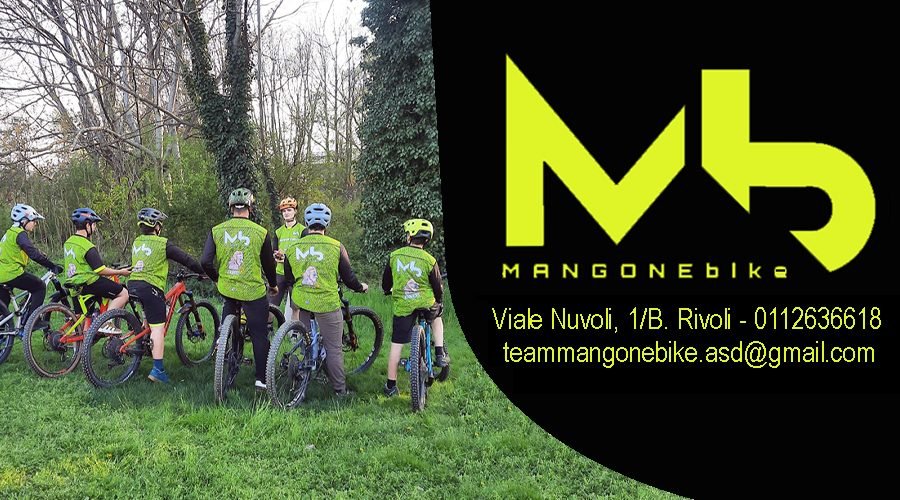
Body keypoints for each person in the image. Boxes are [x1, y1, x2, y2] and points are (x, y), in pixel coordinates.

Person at [282, 203, 367, 397]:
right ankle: (340, 391)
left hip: (302, 301)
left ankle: (303, 377)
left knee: (306, 342)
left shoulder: (293, 248)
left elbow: (289, 278)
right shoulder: (336, 246)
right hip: (326, 303)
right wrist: (360, 287)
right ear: (326, 224)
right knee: (334, 348)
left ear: (306, 223)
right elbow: (348, 278)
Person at [201, 188, 278, 390]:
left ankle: (223, 340)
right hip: (252, 291)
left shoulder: (217, 230)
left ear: (231, 208)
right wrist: (273, 284)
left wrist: (217, 278)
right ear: (250, 208)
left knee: (228, 314)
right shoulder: (261, 232)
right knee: (259, 333)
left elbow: (205, 261)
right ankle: (261, 379)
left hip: (227, 287)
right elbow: (269, 265)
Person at [127, 208, 206, 384]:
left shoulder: (137, 241)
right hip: (150, 287)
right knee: (158, 328)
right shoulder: (163, 244)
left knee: (149, 315)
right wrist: (203, 271)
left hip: (133, 284)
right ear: (156, 226)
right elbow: (186, 259)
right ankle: (158, 370)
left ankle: (144, 342)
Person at [381, 218, 447, 398]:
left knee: (397, 344)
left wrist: (387, 290)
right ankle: (439, 352)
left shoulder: (395, 256)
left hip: (403, 305)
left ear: (410, 236)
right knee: (437, 317)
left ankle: (390, 385)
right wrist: (439, 301)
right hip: (426, 303)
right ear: (426, 240)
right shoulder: (429, 260)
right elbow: (437, 287)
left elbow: (386, 283)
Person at [0, 204, 63, 335]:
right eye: (33, 221)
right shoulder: (20, 233)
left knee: (3, 312)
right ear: (24, 221)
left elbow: (23, 250)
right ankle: (33, 321)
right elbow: (33, 254)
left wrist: (40, 254)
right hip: (12, 273)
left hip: (2, 274)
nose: (35, 224)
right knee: (39, 286)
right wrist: (52, 265)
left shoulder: (9, 233)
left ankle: (4, 336)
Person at [63, 208, 131, 313]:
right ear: (87, 225)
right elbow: (100, 270)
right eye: (94, 224)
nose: (94, 228)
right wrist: (121, 272)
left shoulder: (68, 242)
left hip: (73, 284)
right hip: (89, 283)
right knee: (124, 294)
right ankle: (107, 320)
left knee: (82, 317)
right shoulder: (87, 246)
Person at [270, 197, 305, 316]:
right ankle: (269, 326)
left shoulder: (302, 230)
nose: (286, 213)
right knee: (271, 305)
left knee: (295, 307)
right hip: (280, 272)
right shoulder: (278, 231)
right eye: (284, 211)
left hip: (296, 274)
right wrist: (276, 255)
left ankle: (295, 328)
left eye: (289, 210)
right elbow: (274, 251)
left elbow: (305, 254)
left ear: (295, 211)